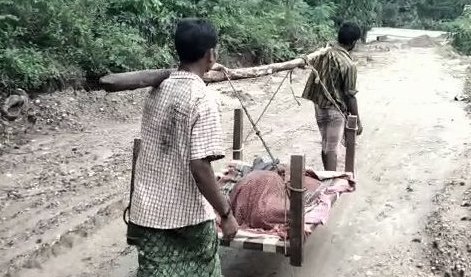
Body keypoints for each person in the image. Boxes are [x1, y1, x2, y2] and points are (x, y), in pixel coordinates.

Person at [127, 18, 238, 277]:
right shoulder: (202, 98)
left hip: (148, 213)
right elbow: (200, 166)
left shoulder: (158, 88)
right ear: (211, 54)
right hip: (187, 217)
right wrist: (226, 213)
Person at [302, 22, 363, 171]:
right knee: (331, 148)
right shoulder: (348, 64)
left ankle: (327, 176)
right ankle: (331, 182)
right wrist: (357, 121)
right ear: (353, 42)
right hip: (334, 109)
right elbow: (350, 95)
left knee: (325, 144)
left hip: (319, 105)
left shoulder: (324, 53)